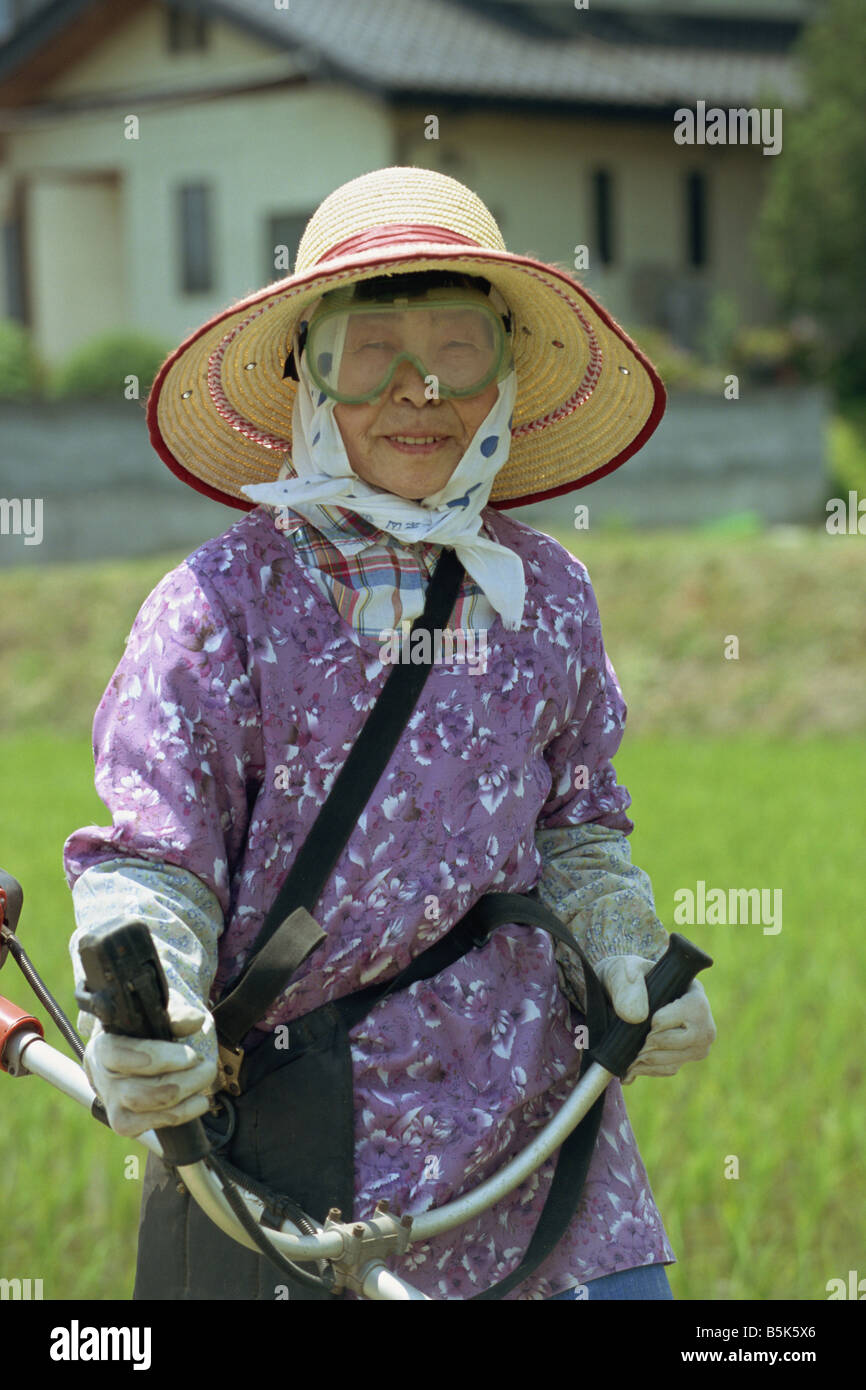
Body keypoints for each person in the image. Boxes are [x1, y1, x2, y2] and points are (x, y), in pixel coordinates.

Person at [64, 166, 715, 1301]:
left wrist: (625, 946)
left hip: (543, 1144)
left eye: (455, 347)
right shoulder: (216, 610)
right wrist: (152, 1002)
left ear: (503, 371)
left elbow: (576, 829)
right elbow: (152, 860)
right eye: (369, 350)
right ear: (303, 373)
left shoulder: (545, 596)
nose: (417, 390)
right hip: (304, 1155)